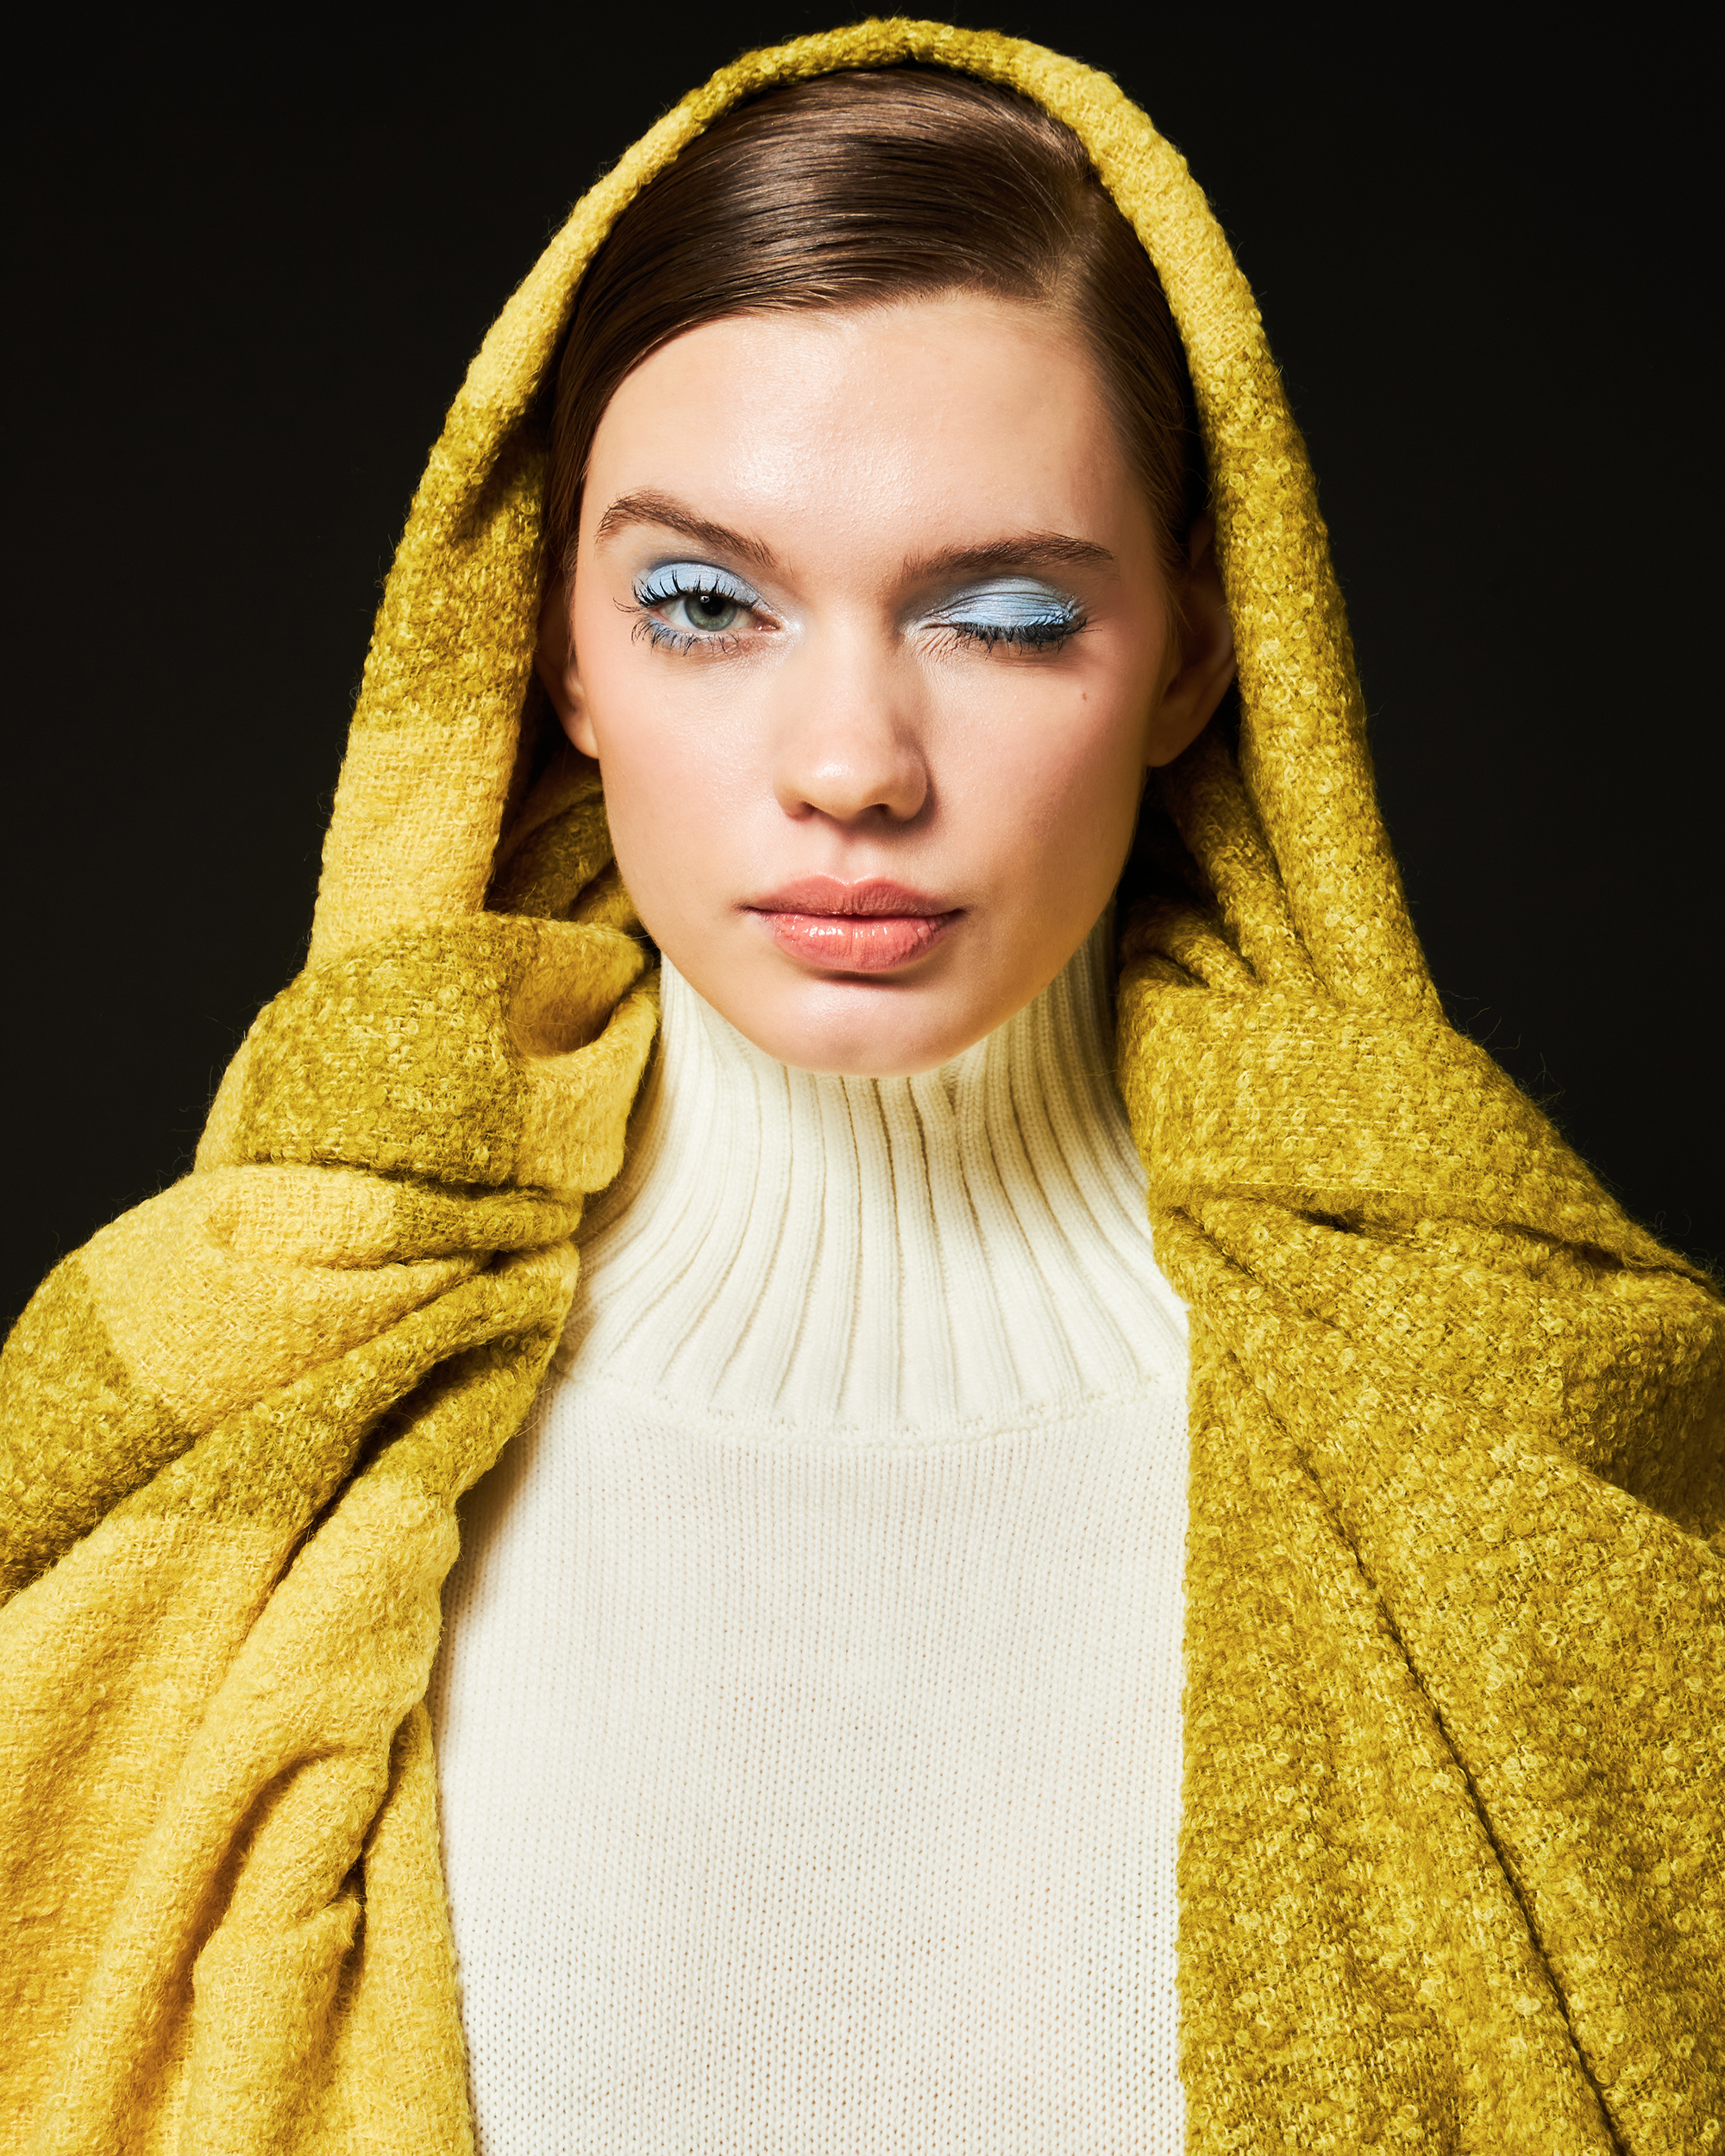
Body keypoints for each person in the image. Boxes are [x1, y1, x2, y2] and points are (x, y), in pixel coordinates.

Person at [2, 22, 1718, 2156]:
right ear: (551, 647)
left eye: (1001, 614)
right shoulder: (244, 1399)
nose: (850, 764)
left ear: (1196, 648)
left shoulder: (1523, 1421)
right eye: (705, 603)